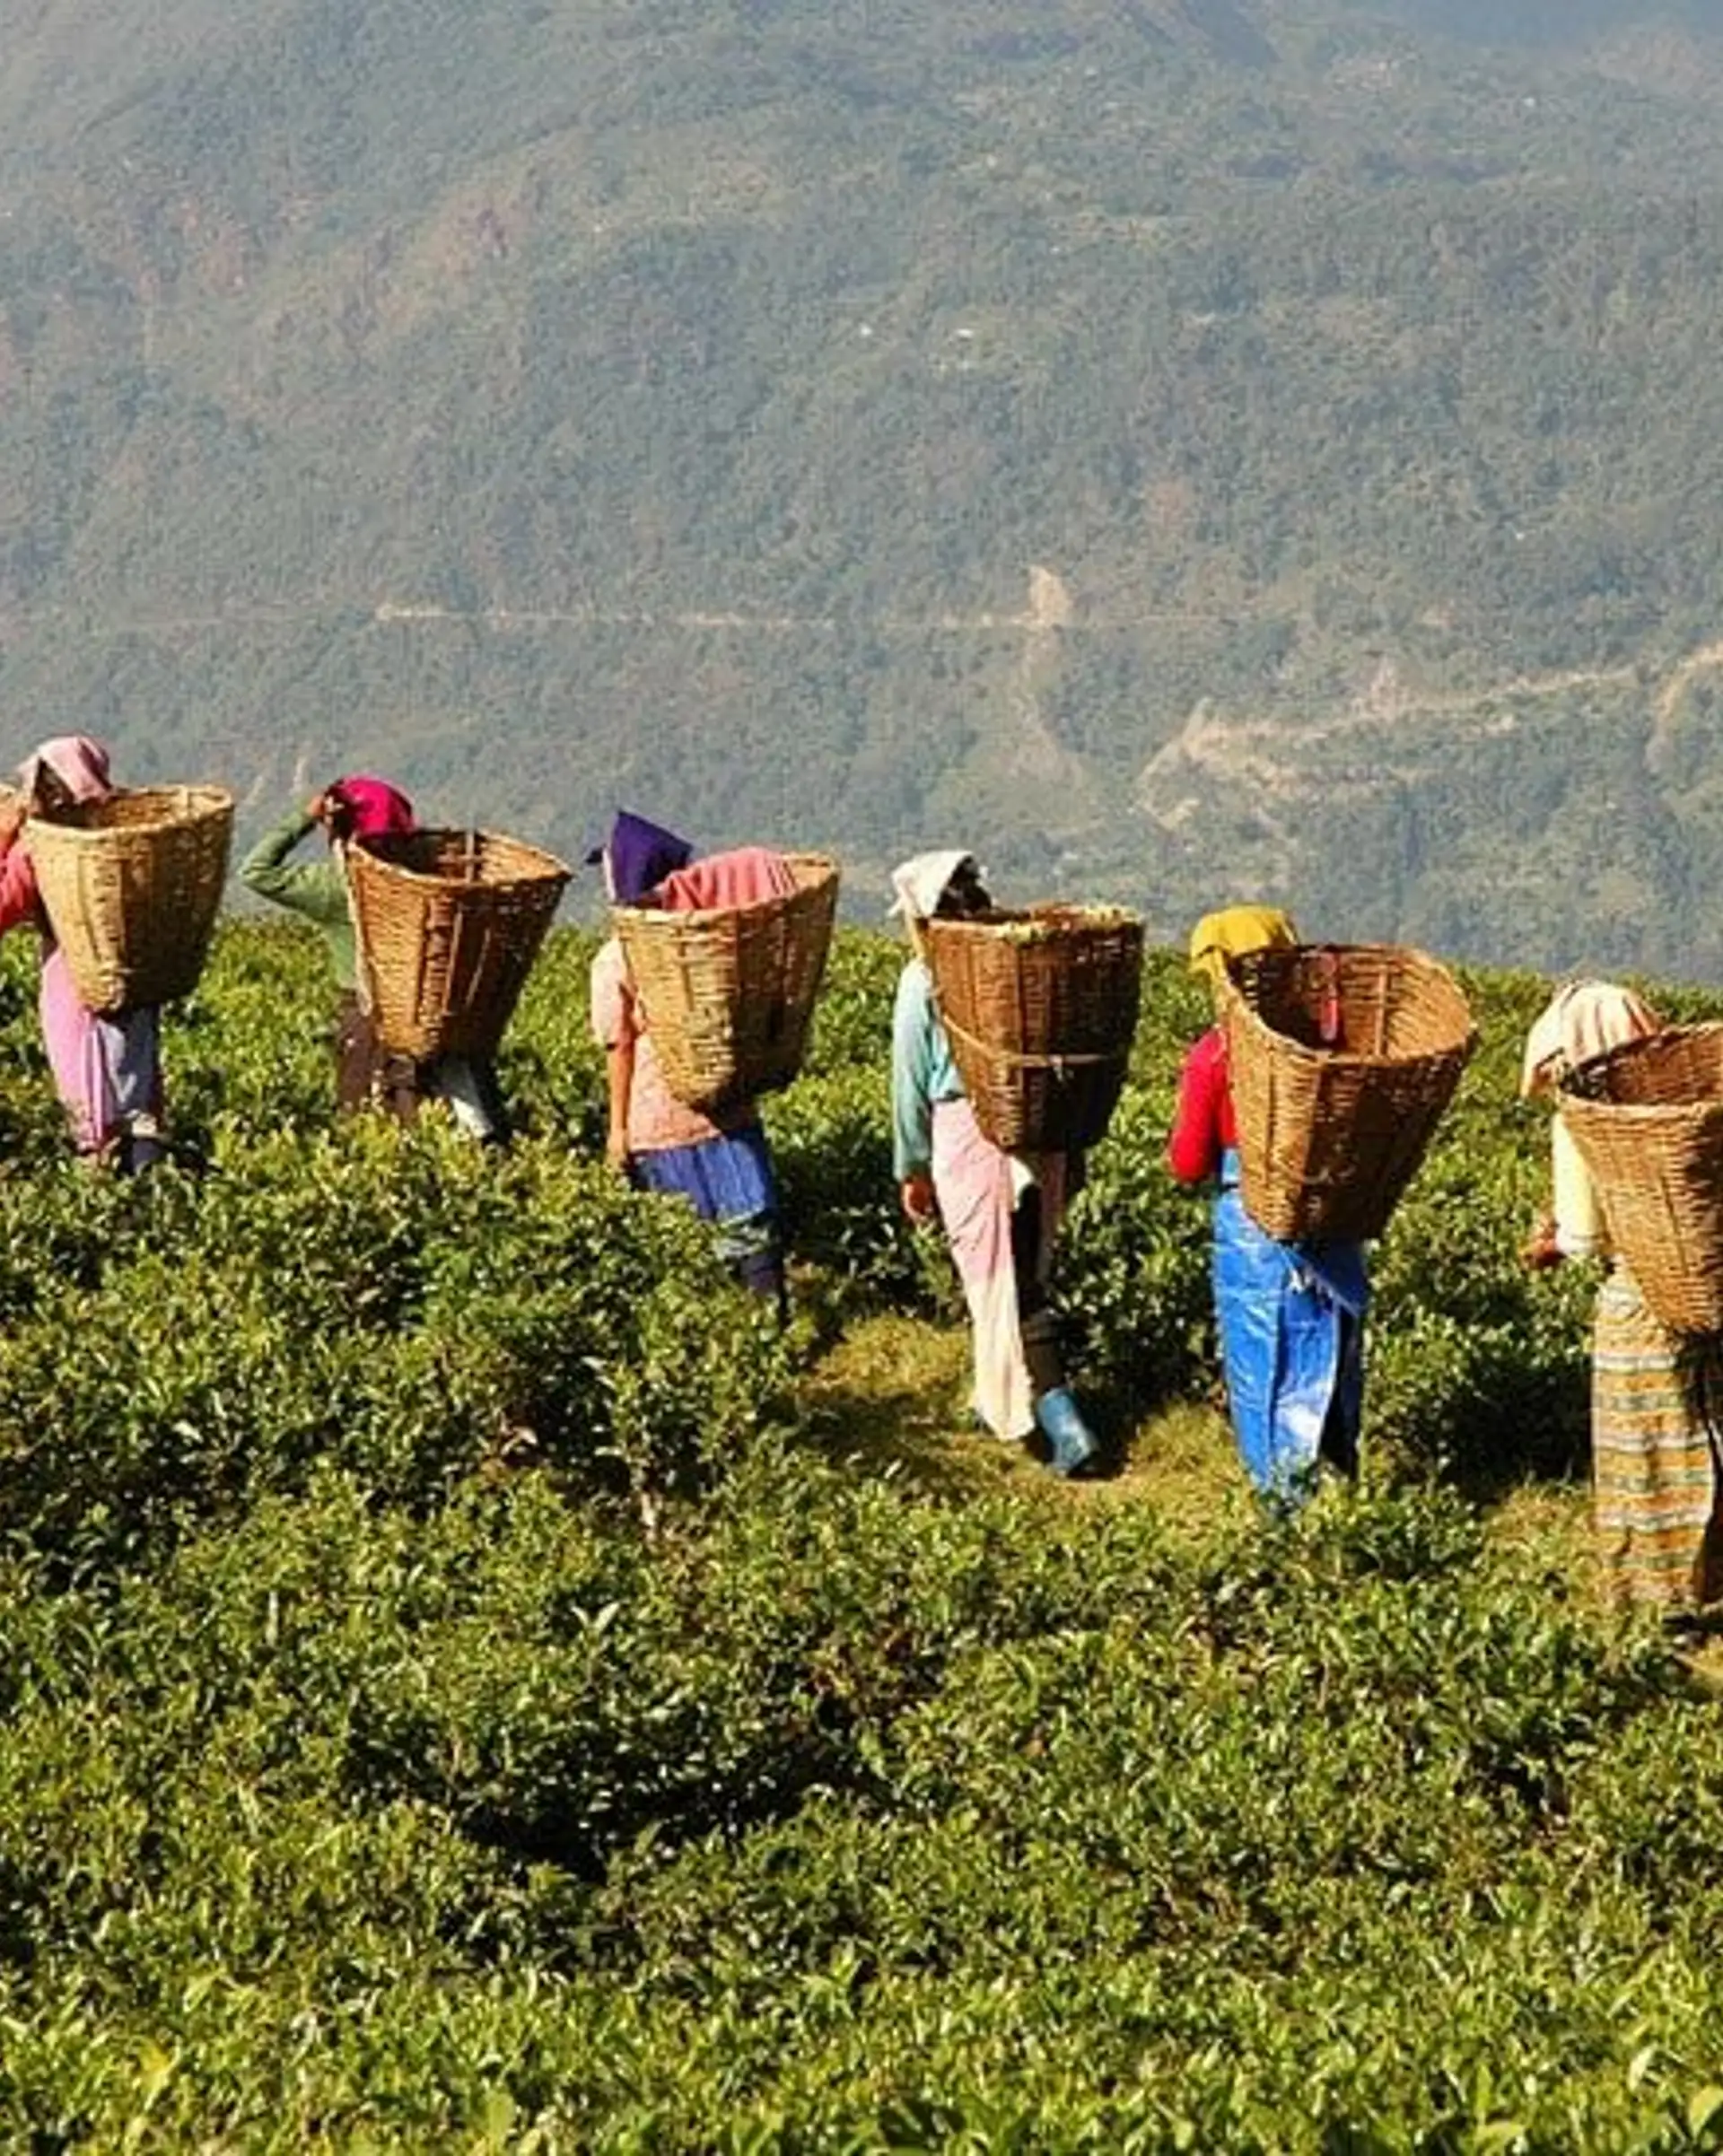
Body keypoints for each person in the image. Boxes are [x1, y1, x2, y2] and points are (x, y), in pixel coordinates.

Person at [888, 849, 1099, 1478]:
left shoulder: (925, 979)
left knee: (1000, 1280)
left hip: (968, 1139)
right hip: (1042, 1136)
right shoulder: (1025, 966)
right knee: (1027, 1265)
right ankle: (995, 1397)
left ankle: (1065, 1424)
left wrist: (912, 1164)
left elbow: (910, 1081)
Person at [1520, 979, 1723, 1611]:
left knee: (1649, 1459)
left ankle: (1658, 1596)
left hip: (1637, 1310)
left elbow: (1583, 1239)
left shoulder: (1586, 1126)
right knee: (1707, 1441)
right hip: (1705, 1300)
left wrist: (1549, 1243)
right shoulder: (1695, 1114)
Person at [1168, 904, 1369, 1506]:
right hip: (1334, 1228)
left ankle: (1284, 1506)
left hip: (1254, 1233)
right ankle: (1339, 1488)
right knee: (1332, 1356)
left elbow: (1186, 1160)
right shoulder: (1328, 1049)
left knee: (1267, 1363)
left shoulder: (1216, 1056)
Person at [589, 809, 791, 1313]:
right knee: (751, 1224)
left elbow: (620, 1045)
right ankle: (772, 1331)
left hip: (658, 1122)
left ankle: (720, 1350)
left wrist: (617, 1131)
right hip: (728, 1107)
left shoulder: (616, 957)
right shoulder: (710, 940)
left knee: (689, 1243)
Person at [240, 776, 511, 1142]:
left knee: (370, 1128)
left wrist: (304, 818)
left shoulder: (337, 888)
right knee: (444, 1125)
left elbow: (256, 871)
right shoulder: (430, 885)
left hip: (367, 1021)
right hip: (438, 1020)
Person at [0, 735, 167, 1173]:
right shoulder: (123, 837)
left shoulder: (43, 848)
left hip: (75, 980)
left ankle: (101, 1174)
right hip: (134, 977)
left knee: (88, 1082)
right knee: (133, 1078)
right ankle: (143, 1176)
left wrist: (3, 838)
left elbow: (4, 904)